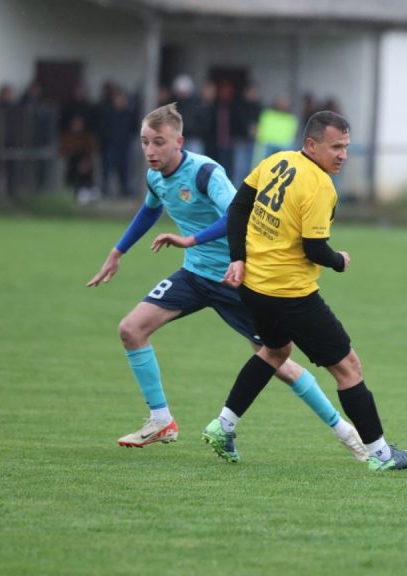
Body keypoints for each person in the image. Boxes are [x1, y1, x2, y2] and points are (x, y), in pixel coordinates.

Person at [87, 103, 366, 461]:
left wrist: (192, 239)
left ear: (179, 142)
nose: (150, 151)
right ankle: (161, 421)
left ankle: (345, 432)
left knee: (278, 360)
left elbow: (238, 213)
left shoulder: (205, 173)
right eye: (144, 142)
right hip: (194, 275)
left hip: (236, 278)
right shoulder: (154, 176)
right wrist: (118, 251)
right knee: (131, 329)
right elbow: (150, 209)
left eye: (158, 142)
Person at [203, 110, 407, 472]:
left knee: (275, 351)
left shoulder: (276, 161)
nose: (342, 155)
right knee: (348, 368)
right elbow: (314, 249)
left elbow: (239, 207)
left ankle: (222, 425)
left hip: (254, 287)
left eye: (346, 147)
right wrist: (339, 260)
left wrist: (238, 258)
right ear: (311, 144)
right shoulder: (320, 186)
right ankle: (381, 455)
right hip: (290, 294)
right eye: (335, 147)